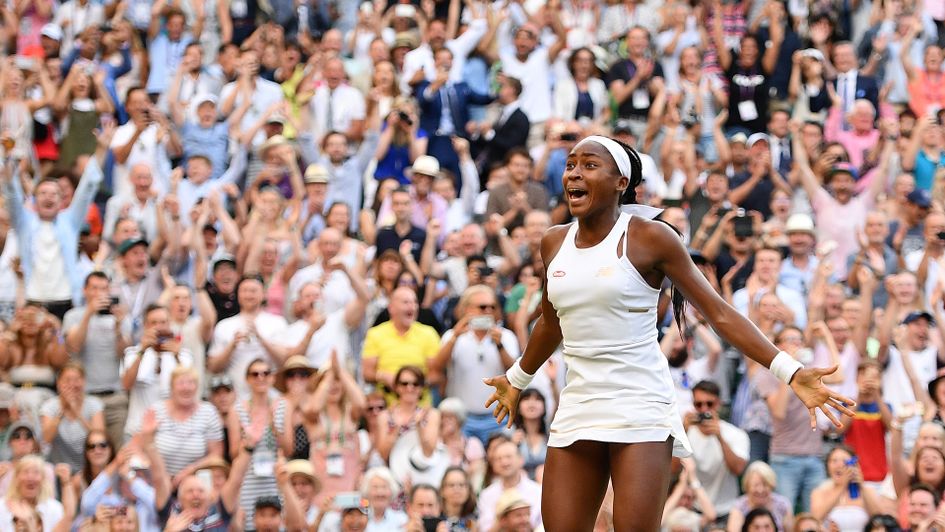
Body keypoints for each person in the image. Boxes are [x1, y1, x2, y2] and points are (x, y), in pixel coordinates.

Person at [484, 135, 853, 530]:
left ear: (621, 182)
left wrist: (791, 371)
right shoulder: (553, 241)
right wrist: (517, 378)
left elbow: (719, 313)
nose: (574, 172)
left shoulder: (651, 237)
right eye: (571, 164)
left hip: (640, 405)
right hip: (578, 404)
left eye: (589, 165)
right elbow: (551, 320)